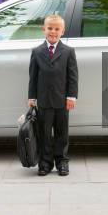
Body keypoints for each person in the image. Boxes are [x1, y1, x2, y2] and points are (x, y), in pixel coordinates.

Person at [28, 14, 78, 176]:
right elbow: (33, 77)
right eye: (50, 28)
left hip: (62, 101)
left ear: (62, 31)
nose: (53, 32)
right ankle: (45, 163)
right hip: (43, 101)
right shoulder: (37, 52)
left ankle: (62, 162)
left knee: (61, 133)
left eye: (57, 29)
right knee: (44, 134)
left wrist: (71, 97)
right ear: (44, 30)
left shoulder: (68, 51)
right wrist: (32, 97)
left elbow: (73, 76)